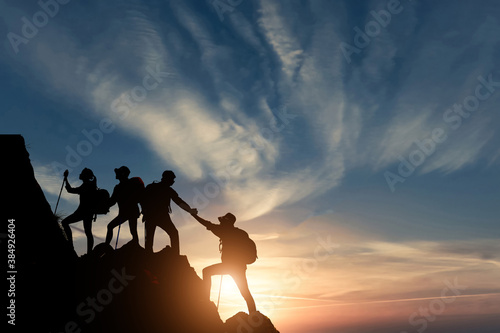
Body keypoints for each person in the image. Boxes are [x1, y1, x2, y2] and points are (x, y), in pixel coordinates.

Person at [191, 212, 257, 314]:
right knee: (245, 292)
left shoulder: (224, 231)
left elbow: (207, 224)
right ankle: (253, 314)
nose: (221, 223)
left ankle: (205, 300)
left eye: (223, 221)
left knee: (206, 271)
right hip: (240, 267)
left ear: (227, 222)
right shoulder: (241, 233)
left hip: (229, 266)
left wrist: (194, 215)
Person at [141, 170, 197, 255]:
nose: (173, 182)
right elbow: (143, 199)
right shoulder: (161, 189)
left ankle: (173, 256)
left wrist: (189, 210)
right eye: (172, 179)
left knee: (153, 238)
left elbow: (179, 201)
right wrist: (189, 210)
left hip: (156, 216)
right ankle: (174, 255)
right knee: (171, 233)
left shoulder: (156, 188)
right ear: (167, 178)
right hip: (156, 216)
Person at [61, 168, 97, 254]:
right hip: (88, 212)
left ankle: (70, 244)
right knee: (88, 232)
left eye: (82, 174)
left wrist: (66, 179)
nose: (80, 175)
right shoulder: (91, 185)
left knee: (65, 222)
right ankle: (89, 253)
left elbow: (70, 190)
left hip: (82, 212)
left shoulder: (86, 186)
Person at [105, 166, 142, 246]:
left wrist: (104, 205)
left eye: (118, 173)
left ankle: (136, 246)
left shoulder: (122, 186)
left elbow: (112, 201)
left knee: (132, 230)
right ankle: (106, 246)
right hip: (127, 212)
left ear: (122, 174)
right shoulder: (119, 187)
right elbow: (112, 201)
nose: (116, 174)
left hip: (130, 212)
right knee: (132, 230)